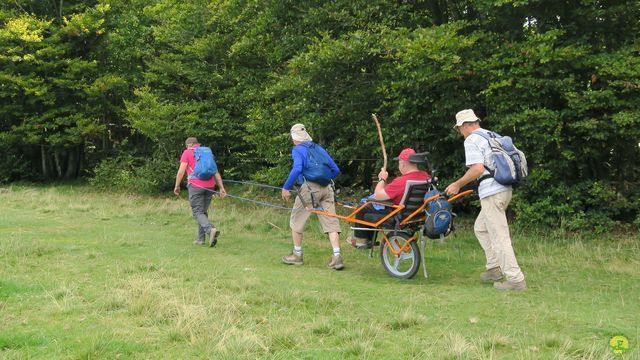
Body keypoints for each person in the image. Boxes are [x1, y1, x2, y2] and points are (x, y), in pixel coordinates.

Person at [444, 109, 527, 291]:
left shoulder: (472, 139)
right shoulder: (490, 134)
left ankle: (515, 280)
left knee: (499, 237)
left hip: (492, 192)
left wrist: (457, 184)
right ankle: (494, 268)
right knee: (481, 228)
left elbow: (477, 169)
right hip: (504, 189)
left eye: (459, 128)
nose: (460, 132)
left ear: (466, 126)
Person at [280, 124, 344, 270]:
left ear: (294, 138)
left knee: (296, 219)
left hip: (309, 188)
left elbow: (297, 168)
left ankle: (297, 255)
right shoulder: (318, 148)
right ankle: (337, 256)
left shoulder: (297, 149)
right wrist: (325, 179)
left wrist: (286, 187)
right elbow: (335, 169)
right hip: (327, 188)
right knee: (331, 221)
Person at [346, 148, 431, 249]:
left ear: (403, 164)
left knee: (363, 207)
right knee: (369, 210)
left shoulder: (401, 181)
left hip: (397, 216)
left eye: (399, 162)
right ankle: (368, 240)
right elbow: (388, 192)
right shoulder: (426, 176)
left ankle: (361, 240)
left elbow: (378, 195)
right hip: (416, 216)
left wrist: (382, 179)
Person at [174, 137, 226, 247]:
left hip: (196, 186)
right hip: (210, 185)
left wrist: (177, 185)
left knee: (197, 212)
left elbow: (181, 171)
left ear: (189, 145)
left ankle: (210, 229)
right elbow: (215, 171)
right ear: (198, 144)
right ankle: (200, 239)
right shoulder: (207, 153)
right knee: (202, 212)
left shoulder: (187, 153)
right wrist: (221, 187)